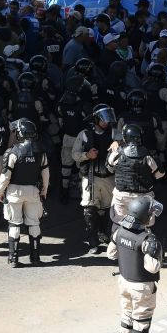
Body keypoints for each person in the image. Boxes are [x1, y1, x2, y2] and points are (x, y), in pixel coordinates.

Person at [107, 196, 164, 333]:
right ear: (145, 216)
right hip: (141, 287)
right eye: (150, 214)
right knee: (141, 322)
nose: (151, 216)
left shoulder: (119, 231)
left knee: (127, 316)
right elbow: (152, 268)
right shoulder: (146, 239)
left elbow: (111, 254)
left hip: (123, 281)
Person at [0, 118, 49, 267]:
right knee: (34, 224)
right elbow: (46, 174)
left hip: (14, 192)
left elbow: (5, 176)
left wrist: (0, 191)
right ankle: (35, 257)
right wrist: (44, 190)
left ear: (21, 133)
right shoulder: (41, 151)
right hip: (33, 191)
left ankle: (13, 258)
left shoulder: (13, 152)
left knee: (14, 224)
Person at [73, 104, 119, 255]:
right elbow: (74, 154)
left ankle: (102, 233)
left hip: (109, 178)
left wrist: (119, 143)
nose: (106, 122)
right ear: (96, 119)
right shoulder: (85, 134)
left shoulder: (114, 133)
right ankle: (92, 241)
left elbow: (128, 148)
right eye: (103, 118)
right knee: (90, 209)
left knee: (107, 210)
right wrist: (86, 156)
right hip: (91, 178)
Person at [108, 124, 165, 229]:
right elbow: (160, 174)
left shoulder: (117, 154)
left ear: (125, 137)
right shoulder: (148, 155)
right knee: (145, 227)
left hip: (121, 197)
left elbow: (110, 168)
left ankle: (117, 243)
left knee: (118, 225)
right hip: (143, 198)